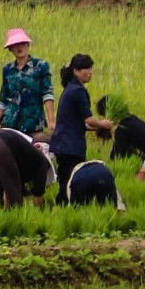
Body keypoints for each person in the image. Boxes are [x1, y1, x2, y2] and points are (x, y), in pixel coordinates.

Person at [49, 54, 113, 193]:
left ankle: (63, 206)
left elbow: (75, 121)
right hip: (70, 145)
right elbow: (88, 119)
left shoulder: (70, 88)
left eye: (91, 68)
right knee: (70, 181)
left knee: (65, 179)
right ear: (76, 71)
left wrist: (94, 128)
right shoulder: (78, 91)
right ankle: (66, 206)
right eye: (86, 68)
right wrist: (103, 124)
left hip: (63, 143)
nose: (90, 72)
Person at [0, 127, 53, 209]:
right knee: (14, 200)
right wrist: (39, 213)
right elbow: (38, 194)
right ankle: (14, 220)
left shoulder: (26, 151)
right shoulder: (41, 162)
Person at [0, 29, 54, 137]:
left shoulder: (41, 66)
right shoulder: (8, 69)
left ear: (28, 45)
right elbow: (3, 100)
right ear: (10, 49)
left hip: (33, 123)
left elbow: (47, 94)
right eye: (15, 45)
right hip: (10, 122)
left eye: (22, 44)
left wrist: (51, 120)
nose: (19, 48)